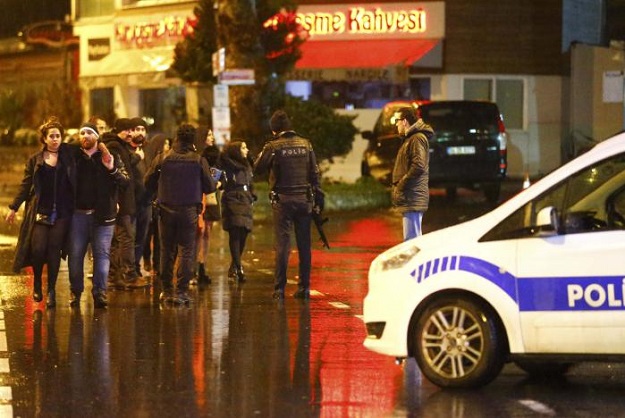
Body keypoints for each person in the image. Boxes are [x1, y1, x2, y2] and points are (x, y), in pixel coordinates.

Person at [5, 117, 74, 308]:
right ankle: (37, 282)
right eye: (51, 136)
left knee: (54, 251)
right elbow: (26, 185)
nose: (55, 139)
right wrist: (13, 207)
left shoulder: (68, 157)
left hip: (61, 213)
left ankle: (51, 289)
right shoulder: (35, 160)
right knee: (37, 249)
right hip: (40, 211)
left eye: (58, 136)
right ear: (44, 138)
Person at [254, 110, 322, 300]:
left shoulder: (273, 146)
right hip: (304, 200)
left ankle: (279, 289)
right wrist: (317, 200)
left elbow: (257, 168)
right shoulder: (306, 144)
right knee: (304, 245)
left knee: (283, 245)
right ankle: (304, 288)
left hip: (283, 201)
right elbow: (315, 174)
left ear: (274, 129)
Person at [145, 124, 215, 304]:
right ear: (192, 140)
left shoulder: (163, 158)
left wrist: (158, 191)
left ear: (176, 138)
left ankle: (167, 290)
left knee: (167, 249)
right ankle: (182, 292)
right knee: (186, 250)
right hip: (189, 210)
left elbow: (148, 181)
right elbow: (209, 187)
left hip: (166, 209)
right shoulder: (199, 160)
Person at [66, 122, 129, 308]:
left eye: (89, 133)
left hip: (103, 217)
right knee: (76, 255)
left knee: (102, 255)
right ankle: (76, 291)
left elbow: (125, 182)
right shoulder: (74, 157)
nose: (85, 136)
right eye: (82, 133)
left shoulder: (110, 156)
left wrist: (112, 168)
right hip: (78, 215)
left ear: (96, 137)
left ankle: (100, 293)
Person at [102, 118, 149, 289]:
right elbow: (118, 174)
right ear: (119, 131)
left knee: (118, 239)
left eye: (132, 130)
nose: (131, 134)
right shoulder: (115, 147)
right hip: (122, 199)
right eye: (127, 130)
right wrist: (137, 157)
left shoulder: (117, 145)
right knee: (127, 237)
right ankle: (129, 276)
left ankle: (114, 277)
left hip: (123, 198)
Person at [391, 106, 433, 241]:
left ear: (404, 121)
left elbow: (418, 165)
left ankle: (416, 263)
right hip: (411, 195)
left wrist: (402, 183)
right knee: (413, 239)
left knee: (411, 241)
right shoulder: (411, 138)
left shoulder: (416, 139)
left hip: (412, 195)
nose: (396, 124)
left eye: (397, 121)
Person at [220, 140, 255, 283]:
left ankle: (234, 265)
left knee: (244, 231)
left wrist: (253, 194)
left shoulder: (247, 164)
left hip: (246, 199)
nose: (247, 150)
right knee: (235, 232)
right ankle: (239, 267)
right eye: (244, 147)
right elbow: (215, 178)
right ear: (236, 151)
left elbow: (251, 181)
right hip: (232, 198)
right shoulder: (226, 164)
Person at [194, 129, 221, 285]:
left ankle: (202, 265)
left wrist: (220, 181)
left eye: (212, 134)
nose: (211, 137)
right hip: (199, 197)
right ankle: (194, 267)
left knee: (207, 233)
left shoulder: (215, 155)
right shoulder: (197, 156)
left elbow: (221, 172)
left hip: (211, 196)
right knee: (199, 231)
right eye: (208, 134)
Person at [128, 117, 152, 278]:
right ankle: (128, 269)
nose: (140, 132)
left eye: (143, 129)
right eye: (137, 129)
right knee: (129, 236)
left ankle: (136, 266)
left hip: (146, 201)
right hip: (130, 203)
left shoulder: (147, 151)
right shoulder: (126, 151)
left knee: (142, 237)